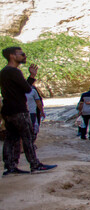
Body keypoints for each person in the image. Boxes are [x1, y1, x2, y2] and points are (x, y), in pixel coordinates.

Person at [1, 46, 56, 174]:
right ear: (12, 56)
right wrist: (31, 77)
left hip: (8, 110)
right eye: (21, 54)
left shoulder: (3, 71)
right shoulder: (14, 71)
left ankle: (10, 167)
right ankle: (35, 164)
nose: (24, 56)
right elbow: (26, 89)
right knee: (27, 137)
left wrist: (30, 78)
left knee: (11, 138)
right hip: (19, 109)